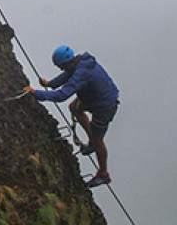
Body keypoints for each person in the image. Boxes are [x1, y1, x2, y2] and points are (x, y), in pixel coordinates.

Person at [24, 45, 119, 187]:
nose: (60, 68)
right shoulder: (79, 62)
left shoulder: (82, 73)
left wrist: (36, 93)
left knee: (99, 141)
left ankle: (103, 174)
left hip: (104, 107)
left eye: (60, 65)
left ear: (67, 62)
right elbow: (67, 74)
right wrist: (50, 84)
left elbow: (62, 95)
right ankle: (92, 141)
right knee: (74, 108)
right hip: (95, 98)